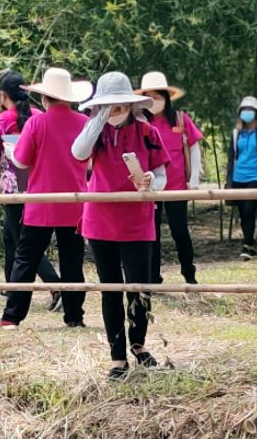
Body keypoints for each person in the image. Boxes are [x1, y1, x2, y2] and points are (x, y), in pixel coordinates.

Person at [71, 71, 167, 378]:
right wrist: (98, 117)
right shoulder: (95, 132)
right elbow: (78, 152)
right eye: (108, 104)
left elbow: (162, 175)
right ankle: (117, 357)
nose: (115, 110)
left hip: (138, 220)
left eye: (119, 105)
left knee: (139, 288)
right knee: (109, 288)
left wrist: (151, 182)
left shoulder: (148, 132)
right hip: (100, 220)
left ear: (130, 104)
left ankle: (139, 345)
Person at [9, 66, 94, 329]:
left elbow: (21, 161)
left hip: (41, 204)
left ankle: (12, 316)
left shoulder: (36, 122)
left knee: (26, 259)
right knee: (72, 261)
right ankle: (74, 316)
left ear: (44, 97)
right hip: (74, 203)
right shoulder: (84, 123)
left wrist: (12, 150)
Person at [0, 72, 52, 325]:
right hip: (39, 187)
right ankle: (12, 286)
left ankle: (56, 286)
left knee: (25, 245)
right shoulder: (40, 116)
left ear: (2, 95)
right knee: (11, 237)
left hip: (13, 191)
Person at [138, 71, 203, 284]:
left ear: (166, 97)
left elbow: (193, 147)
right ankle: (153, 276)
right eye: (149, 97)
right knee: (152, 234)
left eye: (157, 97)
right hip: (151, 187)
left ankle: (189, 274)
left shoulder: (180, 119)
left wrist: (194, 180)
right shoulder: (139, 122)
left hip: (177, 187)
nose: (154, 101)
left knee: (180, 231)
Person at [225, 96, 257, 259]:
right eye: (244, 110)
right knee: (243, 213)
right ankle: (249, 244)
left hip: (256, 177)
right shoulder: (236, 133)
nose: (247, 113)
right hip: (238, 178)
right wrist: (229, 182)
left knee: (249, 210)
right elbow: (231, 158)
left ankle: (247, 245)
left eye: (250, 110)